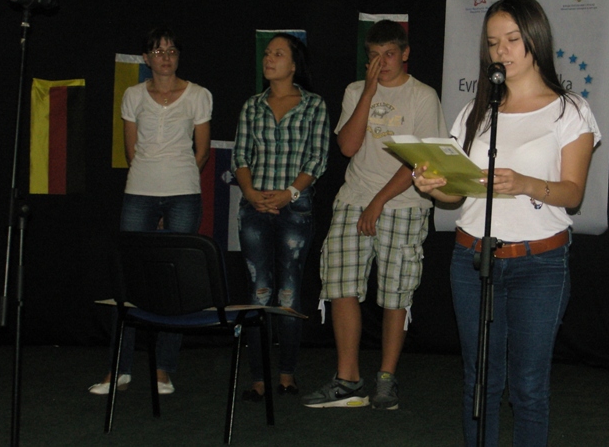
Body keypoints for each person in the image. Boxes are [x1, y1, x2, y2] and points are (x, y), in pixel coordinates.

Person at [412, 0, 600, 444]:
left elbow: (573, 194)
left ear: (536, 39)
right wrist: (432, 185)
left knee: (528, 388)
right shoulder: (475, 111)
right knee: (480, 380)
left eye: (513, 39)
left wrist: (525, 183)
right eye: (494, 42)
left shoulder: (569, 109)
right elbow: (457, 192)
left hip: (540, 264)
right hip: (472, 260)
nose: (502, 51)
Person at [301, 20, 447, 410]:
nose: (381, 63)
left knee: (395, 293)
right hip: (354, 197)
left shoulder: (422, 96)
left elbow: (419, 162)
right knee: (340, 284)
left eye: (389, 55)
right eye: (374, 56)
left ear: (405, 54)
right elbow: (347, 147)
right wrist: (368, 92)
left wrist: (379, 202)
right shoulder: (355, 90)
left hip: (404, 203)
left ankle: (386, 378)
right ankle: (348, 379)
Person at [88, 27, 212, 395]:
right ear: (146, 58)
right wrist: (150, 185)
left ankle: (162, 369)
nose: (165, 57)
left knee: (173, 280)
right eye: (158, 51)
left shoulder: (198, 94)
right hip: (139, 193)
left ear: (178, 56)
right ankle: (119, 369)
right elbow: (131, 151)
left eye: (171, 50)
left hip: (184, 193)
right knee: (128, 280)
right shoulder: (132, 95)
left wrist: (176, 181)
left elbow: (202, 151)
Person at [232, 33, 330, 402]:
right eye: (267, 53)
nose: (269, 58)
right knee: (258, 291)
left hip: (295, 207)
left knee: (289, 291)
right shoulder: (252, 106)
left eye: (278, 53)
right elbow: (241, 156)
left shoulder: (313, 105)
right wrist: (250, 193)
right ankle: (258, 379)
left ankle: (287, 374)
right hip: (254, 207)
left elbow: (317, 158)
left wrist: (289, 193)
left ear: (293, 65)